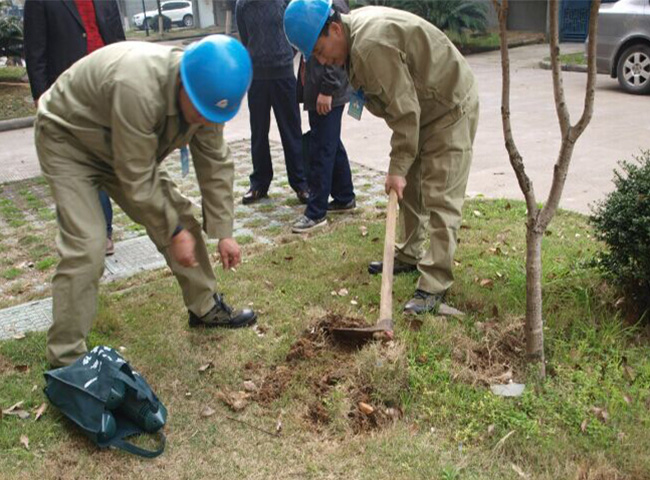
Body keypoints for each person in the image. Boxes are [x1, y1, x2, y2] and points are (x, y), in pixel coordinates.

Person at [34, 36, 257, 367]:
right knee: (87, 245)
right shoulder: (137, 86)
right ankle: (66, 359)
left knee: (182, 216)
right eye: (199, 110)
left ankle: (205, 307)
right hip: (69, 140)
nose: (203, 120)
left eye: (211, 114)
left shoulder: (208, 100)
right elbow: (136, 175)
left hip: (121, 146)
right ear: (183, 80)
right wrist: (172, 230)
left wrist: (224, 232)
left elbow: (215, 164)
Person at [284, 0, 479, 314]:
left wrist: (396, 167)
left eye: (320, 51)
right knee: (410, 187)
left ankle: (433, 285)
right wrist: (403, 168)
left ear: (334, 28)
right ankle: (410, 253)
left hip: (449, 105)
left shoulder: (369, 46)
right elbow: (404, 108)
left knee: (440, 195)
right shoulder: (350, 40)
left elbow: (405, 111)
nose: (322, 60)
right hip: (423, 106)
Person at [23, 0, 124, 256]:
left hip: (107, 87)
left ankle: (102, 230)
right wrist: (41, 96)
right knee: (77, 164)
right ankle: (90, 233)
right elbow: (35, 49)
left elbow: (119, 40)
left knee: (101, 161)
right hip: (68, 93)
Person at [236, 0, 310, 205]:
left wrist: (284, 54)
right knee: (258, 132)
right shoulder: (243, 4)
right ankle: (259, 183)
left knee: (291, 131)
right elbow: (245, 37)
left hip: (283, 74)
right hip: (257, 77)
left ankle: (301, 184)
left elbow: (294, 31)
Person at [292, 0, 356, 234]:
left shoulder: (331, 6)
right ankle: (344, 196)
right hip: (315, 89)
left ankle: (316, 213)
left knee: (322, 149)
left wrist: (327, 90)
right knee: (329, 143)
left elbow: (337, 51)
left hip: (327, 92)